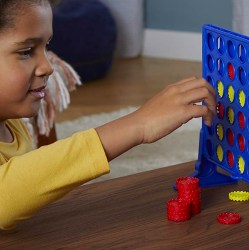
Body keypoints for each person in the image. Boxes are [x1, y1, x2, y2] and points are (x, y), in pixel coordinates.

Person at [0, 0, 216, 230]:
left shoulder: (10, 121)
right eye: (26, 52)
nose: (47, 66)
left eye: (46, 47)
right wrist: (137, 125)